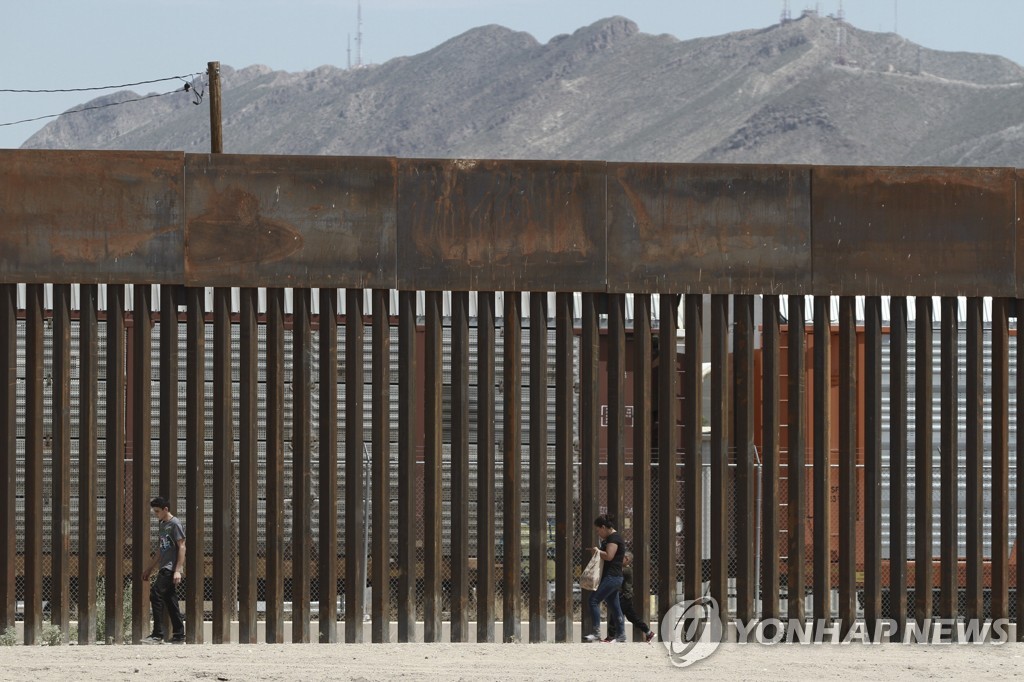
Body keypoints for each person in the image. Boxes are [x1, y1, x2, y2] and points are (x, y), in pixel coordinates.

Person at [141, 496, 186, 644]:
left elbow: (181, 546)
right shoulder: (162, 524)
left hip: (170, 568)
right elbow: (161, 549)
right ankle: (179, 635)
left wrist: (178, 570)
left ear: (166, 509)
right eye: (154, 512)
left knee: (155, 594)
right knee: (170, 599)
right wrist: (150, 568)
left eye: (158, 511)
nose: (156, 514)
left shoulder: (175, 524)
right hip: (163, 566)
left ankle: (157, 634)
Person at [584, 514, 626, 643]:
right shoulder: (610, 538)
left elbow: (609, 556)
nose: (598, 533)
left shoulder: (614, 538)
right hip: (613, 577)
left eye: (598, 530)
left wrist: (597, 551)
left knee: (593, 600)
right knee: (614, 606)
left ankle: (596, 633)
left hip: (612, 577)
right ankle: (621, 635)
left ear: (603, 527)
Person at [606, 551, 656, 643]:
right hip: (626, 597)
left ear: (627, 559)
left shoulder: (626, 570)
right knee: (633, 618)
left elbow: (615, 570)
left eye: (622, 557)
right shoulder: (624, 569)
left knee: (615, 615)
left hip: (624, 597)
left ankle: (611, 637)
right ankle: (648, 632)